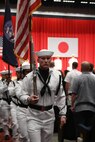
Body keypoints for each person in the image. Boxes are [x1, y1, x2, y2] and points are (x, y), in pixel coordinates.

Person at [18, 49, 67, 142]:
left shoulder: (57, 76)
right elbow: (21, 94)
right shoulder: (30, 77)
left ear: (51, 60)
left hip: (49, 116)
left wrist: (63, 114)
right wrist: (28, 98)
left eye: (48, 58)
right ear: (38, 60)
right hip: (33, 116)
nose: (46, 61)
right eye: (43, 58)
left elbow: (61, 96)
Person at [71, 61, 95, 142]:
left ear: (81, 68)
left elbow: (73, 94)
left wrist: (72, 105)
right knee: (90, 130)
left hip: (80, 108)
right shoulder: (94, 78)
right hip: (92, 108)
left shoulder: (77, 78)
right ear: (89, 68)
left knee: (80, 130)